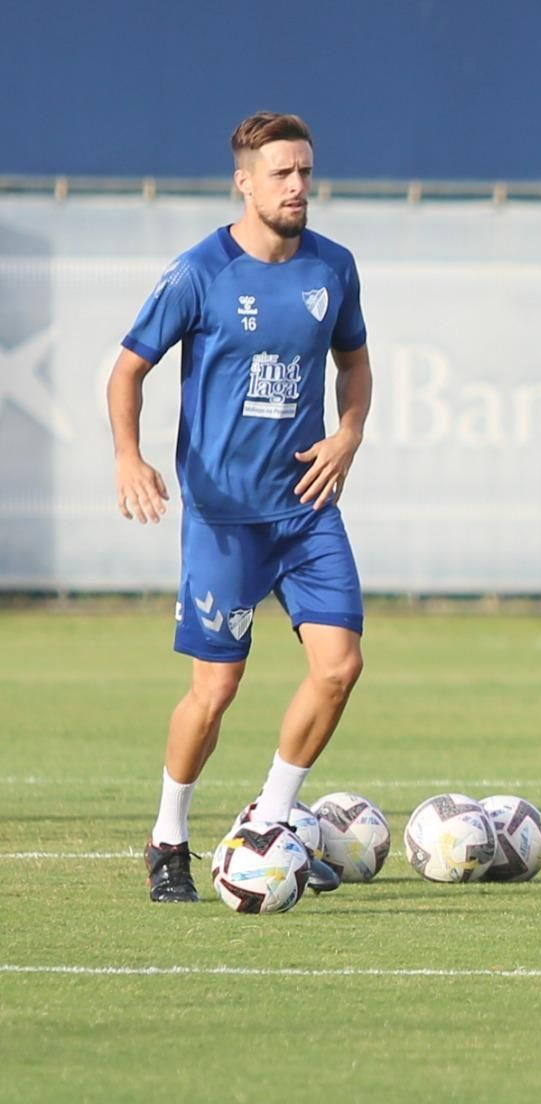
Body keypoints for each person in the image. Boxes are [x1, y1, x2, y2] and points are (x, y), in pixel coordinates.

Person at [108, 112, 371, 903]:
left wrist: (348, 434)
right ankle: (168, 837)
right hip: (224, 517)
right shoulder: (200, 271)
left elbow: (354, 364)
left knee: (341, 667)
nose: (297, 186)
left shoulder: (334, 266)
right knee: (215, 692)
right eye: (281, 173)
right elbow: (127, 372)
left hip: (306, 510)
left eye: (304, 172)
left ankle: (272, 818)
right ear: (245, 181)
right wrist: (129, 455)